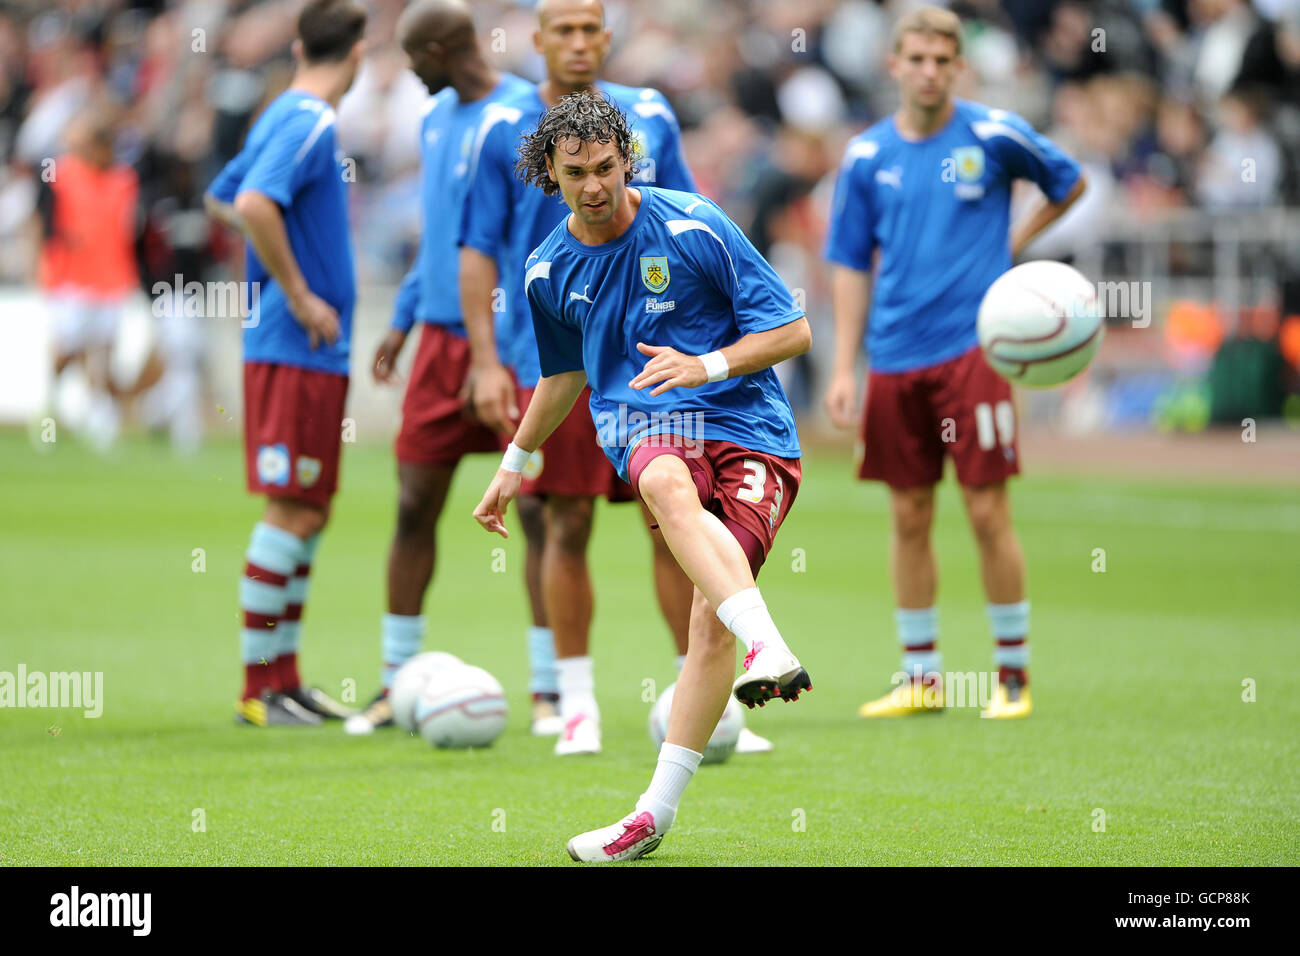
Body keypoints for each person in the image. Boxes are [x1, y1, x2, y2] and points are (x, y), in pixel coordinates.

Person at [474, 90, 810, 861]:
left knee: (707, 619)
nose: (593, 186)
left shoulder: (694, 224)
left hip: (753, 430)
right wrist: (514, 463)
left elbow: (794, 329)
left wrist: (706, 365)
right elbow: (561, 378)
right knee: (661, 483)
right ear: (549, 177)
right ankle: (768, 644)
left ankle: (652, 817)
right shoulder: (546, 270)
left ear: (627, 159)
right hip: (647, 423)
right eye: (574, 174)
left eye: (604, 167)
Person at [460, 0, 772, 755]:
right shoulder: (503, 127)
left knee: (673, 525)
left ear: (606, 37)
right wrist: (484, 357)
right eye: (559, 29)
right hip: (563, 358)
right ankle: (575, 704)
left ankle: (693, 696)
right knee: (563, 522)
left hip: (664, 363)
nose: (574, 41)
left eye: (586, 28)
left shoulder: (652, 113)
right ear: (538, 41)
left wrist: (716, 345)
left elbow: (694, 216)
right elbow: (473, 245)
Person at [822, 6, 1086, 720]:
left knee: (985, 509)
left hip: (975, 352)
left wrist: (1014, 247)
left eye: (944, 59)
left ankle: (1012, 676)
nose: (931, 70)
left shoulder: (993, 133)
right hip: (895, 355)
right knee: (907, 513)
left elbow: (1069, 181)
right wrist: (844, 365)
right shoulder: (866, 156)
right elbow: (848, 262)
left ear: (957, 66)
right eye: (918, 58)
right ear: (894, 64)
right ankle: (922, 678)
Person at [342, 0, 536, 735]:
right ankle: (395, 683)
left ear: (442, 47)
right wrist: (404, 318)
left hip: (512, 345)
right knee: (414, 502)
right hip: (440, 340)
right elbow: (442, 233)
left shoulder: (522, 114)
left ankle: (551, 690)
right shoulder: (433, 119)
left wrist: (506, 344)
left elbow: (519, 241)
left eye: (411, 57)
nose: (404, 72)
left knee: (542, 516)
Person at [204, 0, 367, 727]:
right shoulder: (310, 121)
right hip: (295, 344)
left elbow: (220, 198)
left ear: (300, 45)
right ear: (357, 54)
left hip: (308, 350)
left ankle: (285, 677)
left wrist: (285, 264)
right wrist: (297, 292)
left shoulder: (279, 111)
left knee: (312, 508)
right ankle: (257, 688)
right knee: (291, 506)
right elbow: (253, 202)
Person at [37, 108, 139, 453]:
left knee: (103, 353)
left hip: (111, 278)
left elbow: (127, 229)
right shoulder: (62, 175)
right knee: (67, 350)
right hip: (72, 279)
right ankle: (50, 410)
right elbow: (46, 225)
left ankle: (101, 423)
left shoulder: (124, 180)